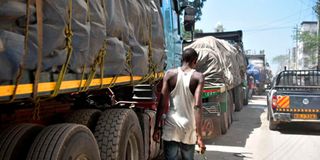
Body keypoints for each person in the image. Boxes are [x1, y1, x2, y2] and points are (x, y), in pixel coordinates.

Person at [153, 48, 206, 160]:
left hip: (171, 125)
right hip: (188, 126)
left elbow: (162, 104)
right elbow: (197, 106)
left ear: (182, 59)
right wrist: (199, 136)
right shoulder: (198, 77)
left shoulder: (169, 74)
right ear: (195, 61)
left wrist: (156, 127)